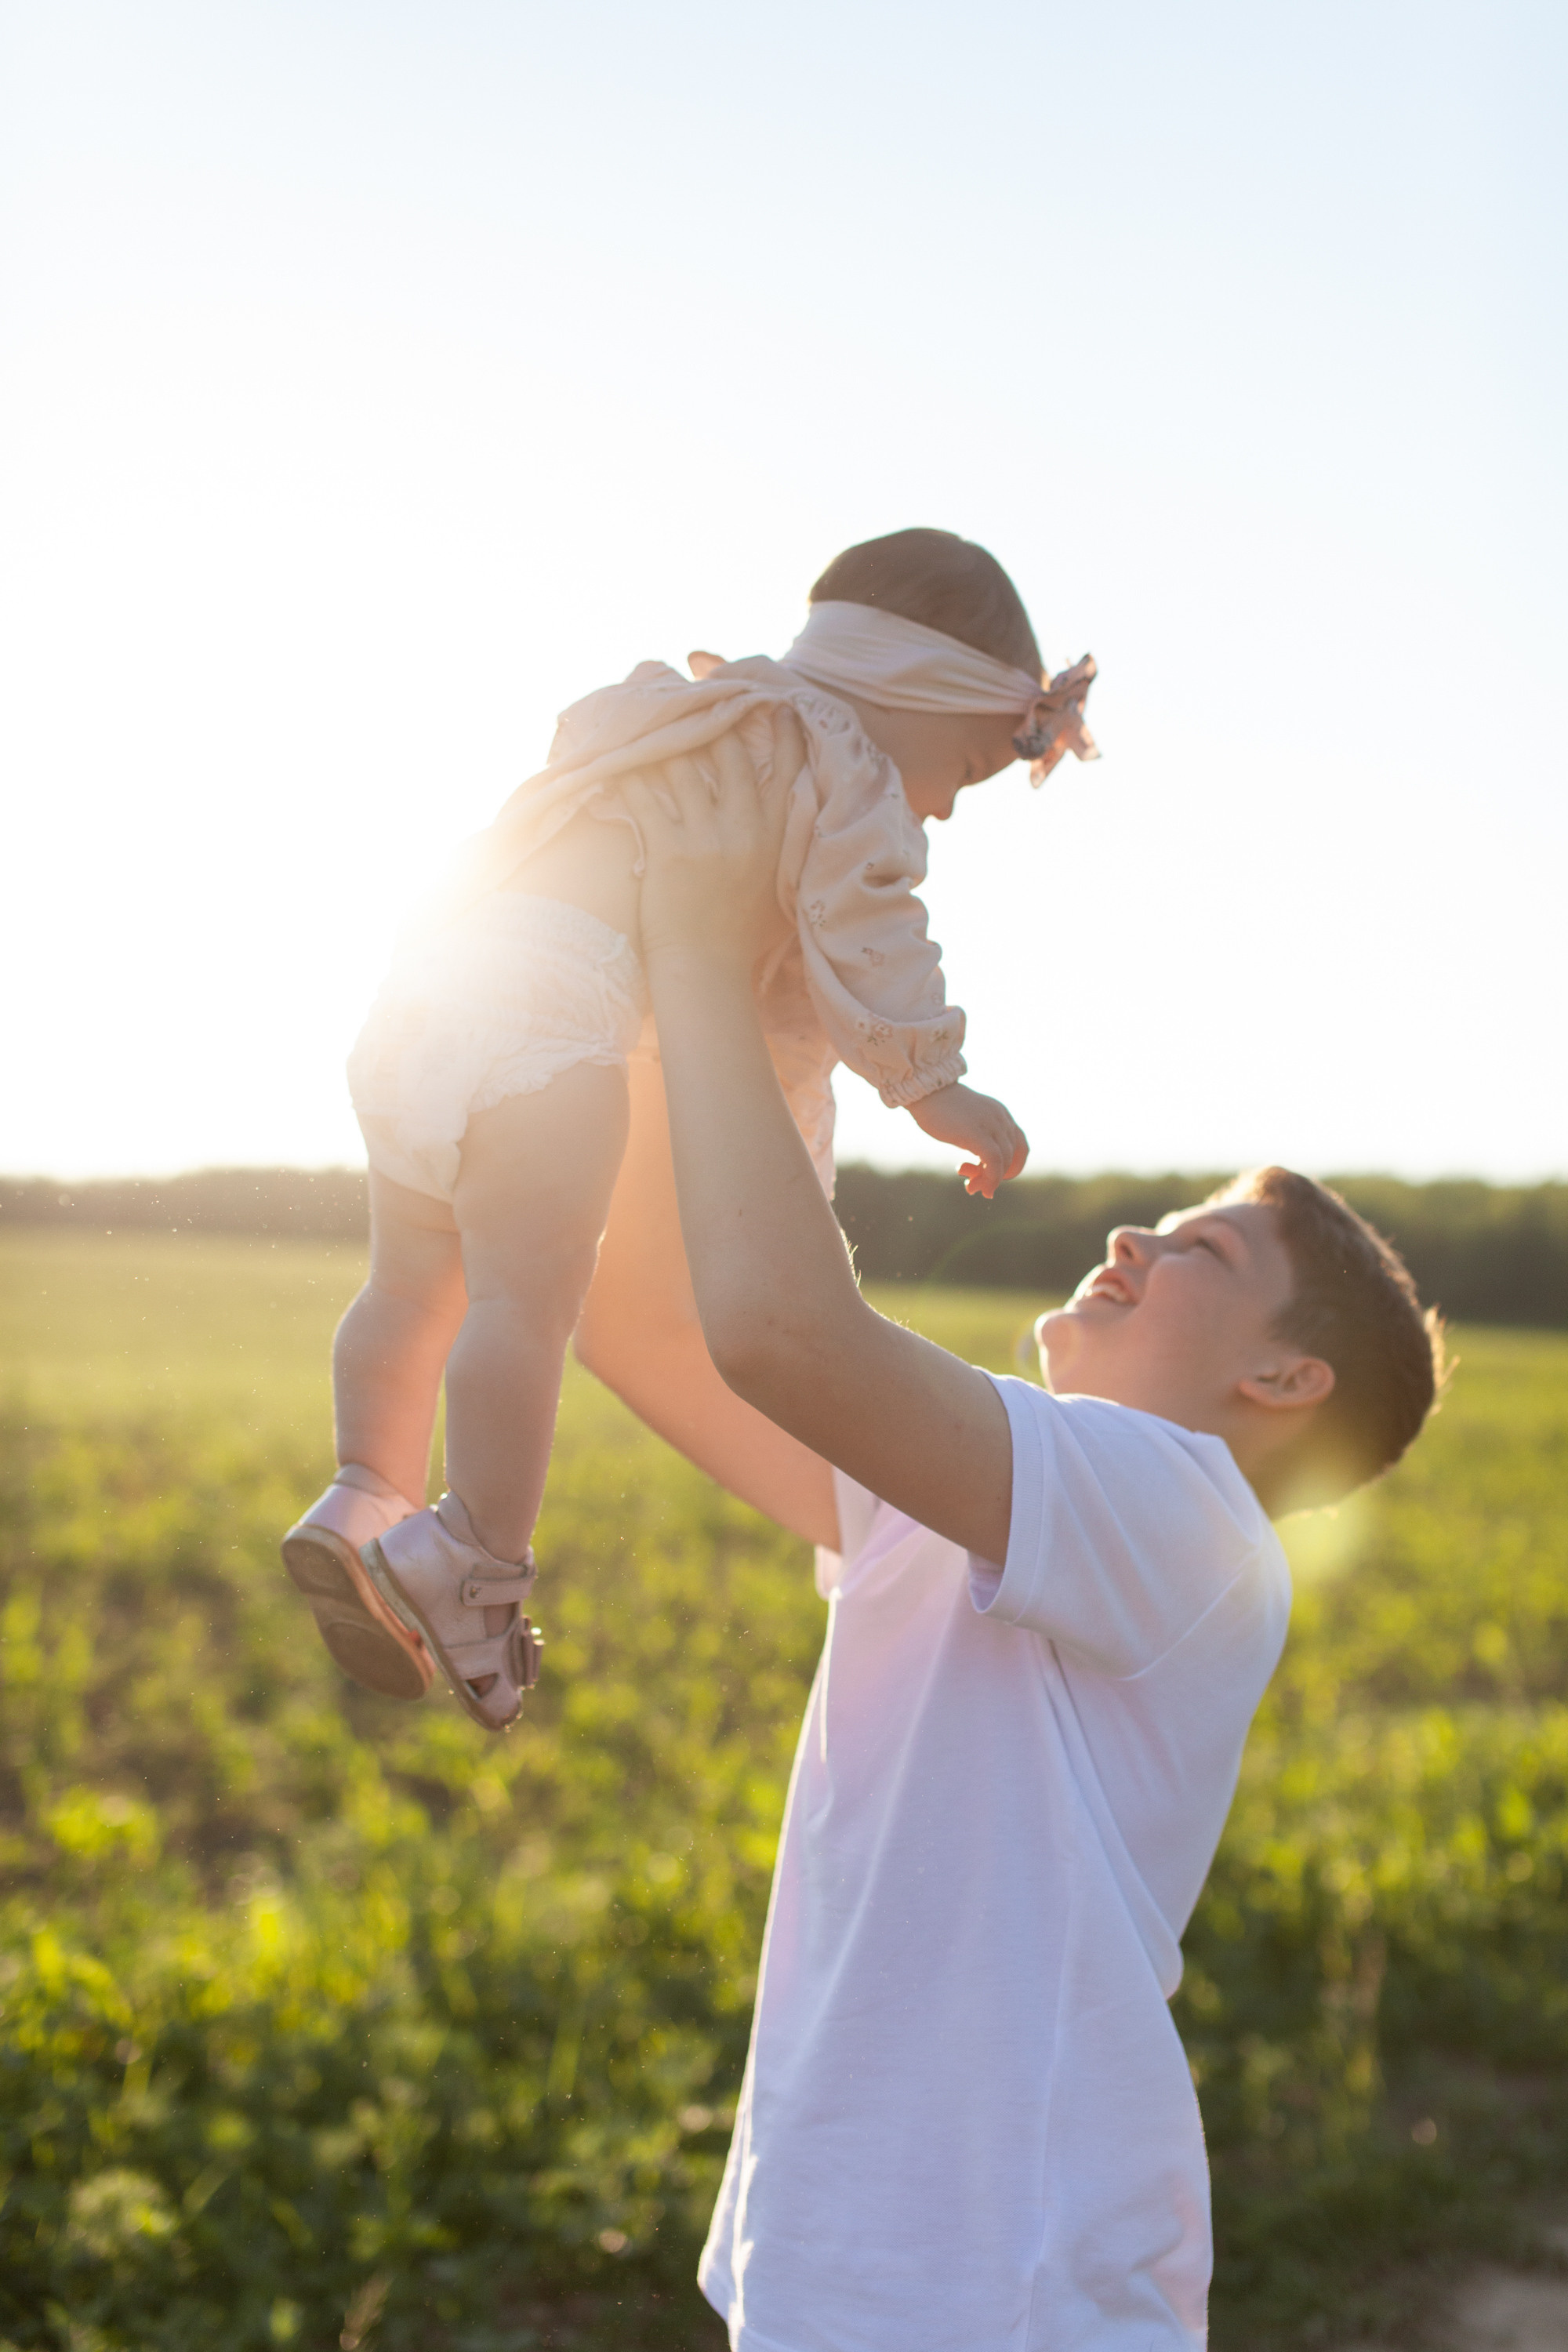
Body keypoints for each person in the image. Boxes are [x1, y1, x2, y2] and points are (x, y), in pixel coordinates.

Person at [570, 750, 1445, 2350]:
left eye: (1200, 1246)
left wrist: (697, 943)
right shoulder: (977, 1503)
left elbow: (779, 1331)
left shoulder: (1190, 1518)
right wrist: (714, 1010)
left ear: (1282, 1381)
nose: (1131, 1235)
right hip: (842, 2258)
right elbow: (645, 1325)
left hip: (1002, 2292)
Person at [281, 529, 1098, 1729]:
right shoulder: (842, 762)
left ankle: (364, 1492)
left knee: (409, 1286)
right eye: (967, 771)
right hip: (552, 1016)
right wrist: (938, 1089)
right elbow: (872, 937)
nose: (944, 809)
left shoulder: (685, 708)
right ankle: (472, 1558)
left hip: (432, 984)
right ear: (916, 688)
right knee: (521, 1306)